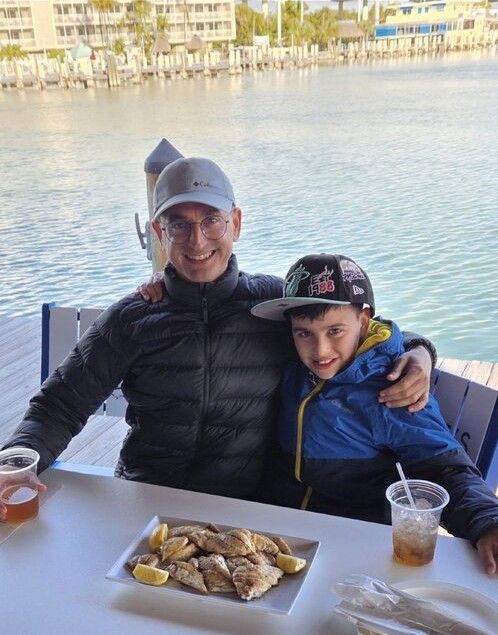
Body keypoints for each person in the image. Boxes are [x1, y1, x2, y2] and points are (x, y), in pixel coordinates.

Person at [1, 158, 434, 519]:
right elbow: (59, 404)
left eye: (212, 221)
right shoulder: (133, 317)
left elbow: (353, 329)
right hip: (145, 500)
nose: (197, 241)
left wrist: (418, 351)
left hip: (244, 509)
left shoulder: (271, 303)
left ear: (237, 223)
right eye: (178, 226)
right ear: (159, 233)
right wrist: (16, 462)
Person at [250, 253, 498, 574]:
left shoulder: (393, 387)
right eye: (304, 333)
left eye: (335, 331)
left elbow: (447, 470)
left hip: (352, 547)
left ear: (364, 322)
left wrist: (487, 521)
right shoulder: (294, 365)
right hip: (277, 532)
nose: (320, 350)